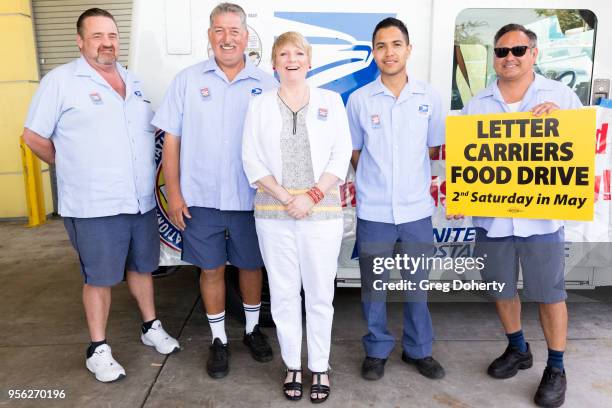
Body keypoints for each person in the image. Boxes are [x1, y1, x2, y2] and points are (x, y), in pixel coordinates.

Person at [22, 8, 179, 383]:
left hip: (139, 200)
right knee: (100, 276)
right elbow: (33, 136)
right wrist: (71, 167)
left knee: (143, 267)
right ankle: (98, 348)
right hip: (94, 205)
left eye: (111, 35)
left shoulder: (133, 81)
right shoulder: (61, 81)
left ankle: (150, 326)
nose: (106, 43)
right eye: (97, 36)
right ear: (80, 41)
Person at [458, 24, 582, 408]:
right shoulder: (477, 104)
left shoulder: (562, 97)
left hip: (542, 220)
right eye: (500, 51)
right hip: (492, 219)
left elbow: (582, 149)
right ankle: (518, 349)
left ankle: (556, 367)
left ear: (534, 53)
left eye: (517, 49)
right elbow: (465, 158)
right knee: (500, 288)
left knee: (549, 294)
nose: (509, 57)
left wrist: (562, 122)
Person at [152, 2, 277, 379]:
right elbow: (170, 139)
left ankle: (253, 332)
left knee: (251, 268)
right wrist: (173, 193)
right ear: (210, 35)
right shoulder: (187, 80)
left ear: (245, 36)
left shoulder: (266, 84)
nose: (227, 38)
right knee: (210, 270)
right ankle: (219, 339)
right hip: (200, 199)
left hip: (251, 199)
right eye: (219, 31)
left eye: (234, 31)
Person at [242, 31, 351, 403]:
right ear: (274, 63)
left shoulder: (331, 101)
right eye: (284, 54)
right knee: (285, 294)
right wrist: (289, 198)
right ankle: (293, 363)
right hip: (274, 215)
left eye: (298, 53)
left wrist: (313, 196)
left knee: (320, 294)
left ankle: (319, 365)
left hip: (322, 215)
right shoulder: (259, 106)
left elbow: (341, 154)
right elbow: (251, 160)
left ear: (309, 61)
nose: (292, 59)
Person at [347, 17, 446, 382]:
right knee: (374, 289)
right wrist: (378, 180)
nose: (389, 52)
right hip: (373, 211)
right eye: (381, 45)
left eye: (396, 44)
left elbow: (434, 148)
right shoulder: (359, 100)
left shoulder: (429, 97)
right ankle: (376, 349)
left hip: (417, 211)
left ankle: (418, 350)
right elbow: (354, 153)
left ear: (408, 48)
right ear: (373, 52)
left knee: (417, 287)